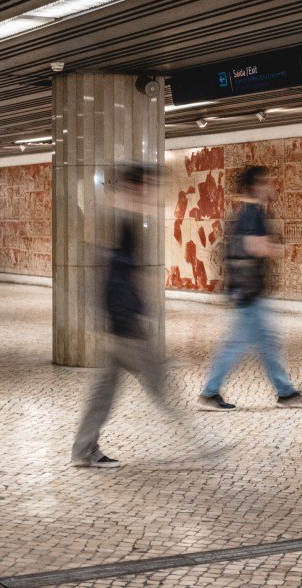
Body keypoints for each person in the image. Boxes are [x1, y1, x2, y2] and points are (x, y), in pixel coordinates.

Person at [71, 165, 172, 468]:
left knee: (103, 391)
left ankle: (84, 448)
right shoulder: (122, 220)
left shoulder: (117, 217)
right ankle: (205, 443)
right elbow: (119, 273)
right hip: (125, 323)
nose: (152, 192)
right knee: (162, 385)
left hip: (117, 321)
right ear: (136, 186)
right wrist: (134, 310)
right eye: (148, 186)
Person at [198, 165, 302, 411]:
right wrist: (277, 248)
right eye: (265, 183)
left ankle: (285, 392)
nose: (269, 187)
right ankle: (210, 392)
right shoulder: (253, 214)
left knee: (265, 342)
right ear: (254, 186)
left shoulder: (242, 213)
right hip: (250, 292)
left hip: (247, 290)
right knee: (238, 344)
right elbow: (255, 247)